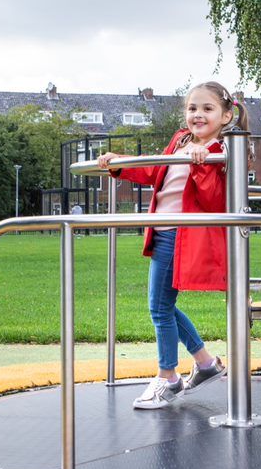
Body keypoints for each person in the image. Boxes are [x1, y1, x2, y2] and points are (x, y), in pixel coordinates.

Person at [96, 81, 244, 410]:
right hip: (162, 231)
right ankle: (206, 364)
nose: (198, 115)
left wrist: (202, 163)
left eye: (207, 109)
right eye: (193, 108)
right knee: (164, 306)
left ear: (225, 115)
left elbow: (213, 199)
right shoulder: (180, 140)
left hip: (183, 234)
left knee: (160, 308)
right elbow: (155, 170)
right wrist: (119, 162)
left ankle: (168, 377)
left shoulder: (221, 150)